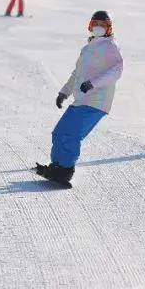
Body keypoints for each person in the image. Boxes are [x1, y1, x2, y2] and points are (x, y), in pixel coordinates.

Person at [37, 11, 124, 188]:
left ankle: (66, 170)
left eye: (103, 24)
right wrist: (64, 92)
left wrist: (93, 84)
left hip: (97, 101)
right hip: (81, 99)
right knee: (59, 132)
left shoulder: (110, 46)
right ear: (90, 26)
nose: (98, 27)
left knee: (71, 134)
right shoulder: (88, 48)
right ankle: (57, 166)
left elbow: (117, 70)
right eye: (95, 24)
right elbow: (77, 74)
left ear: (109, 28)